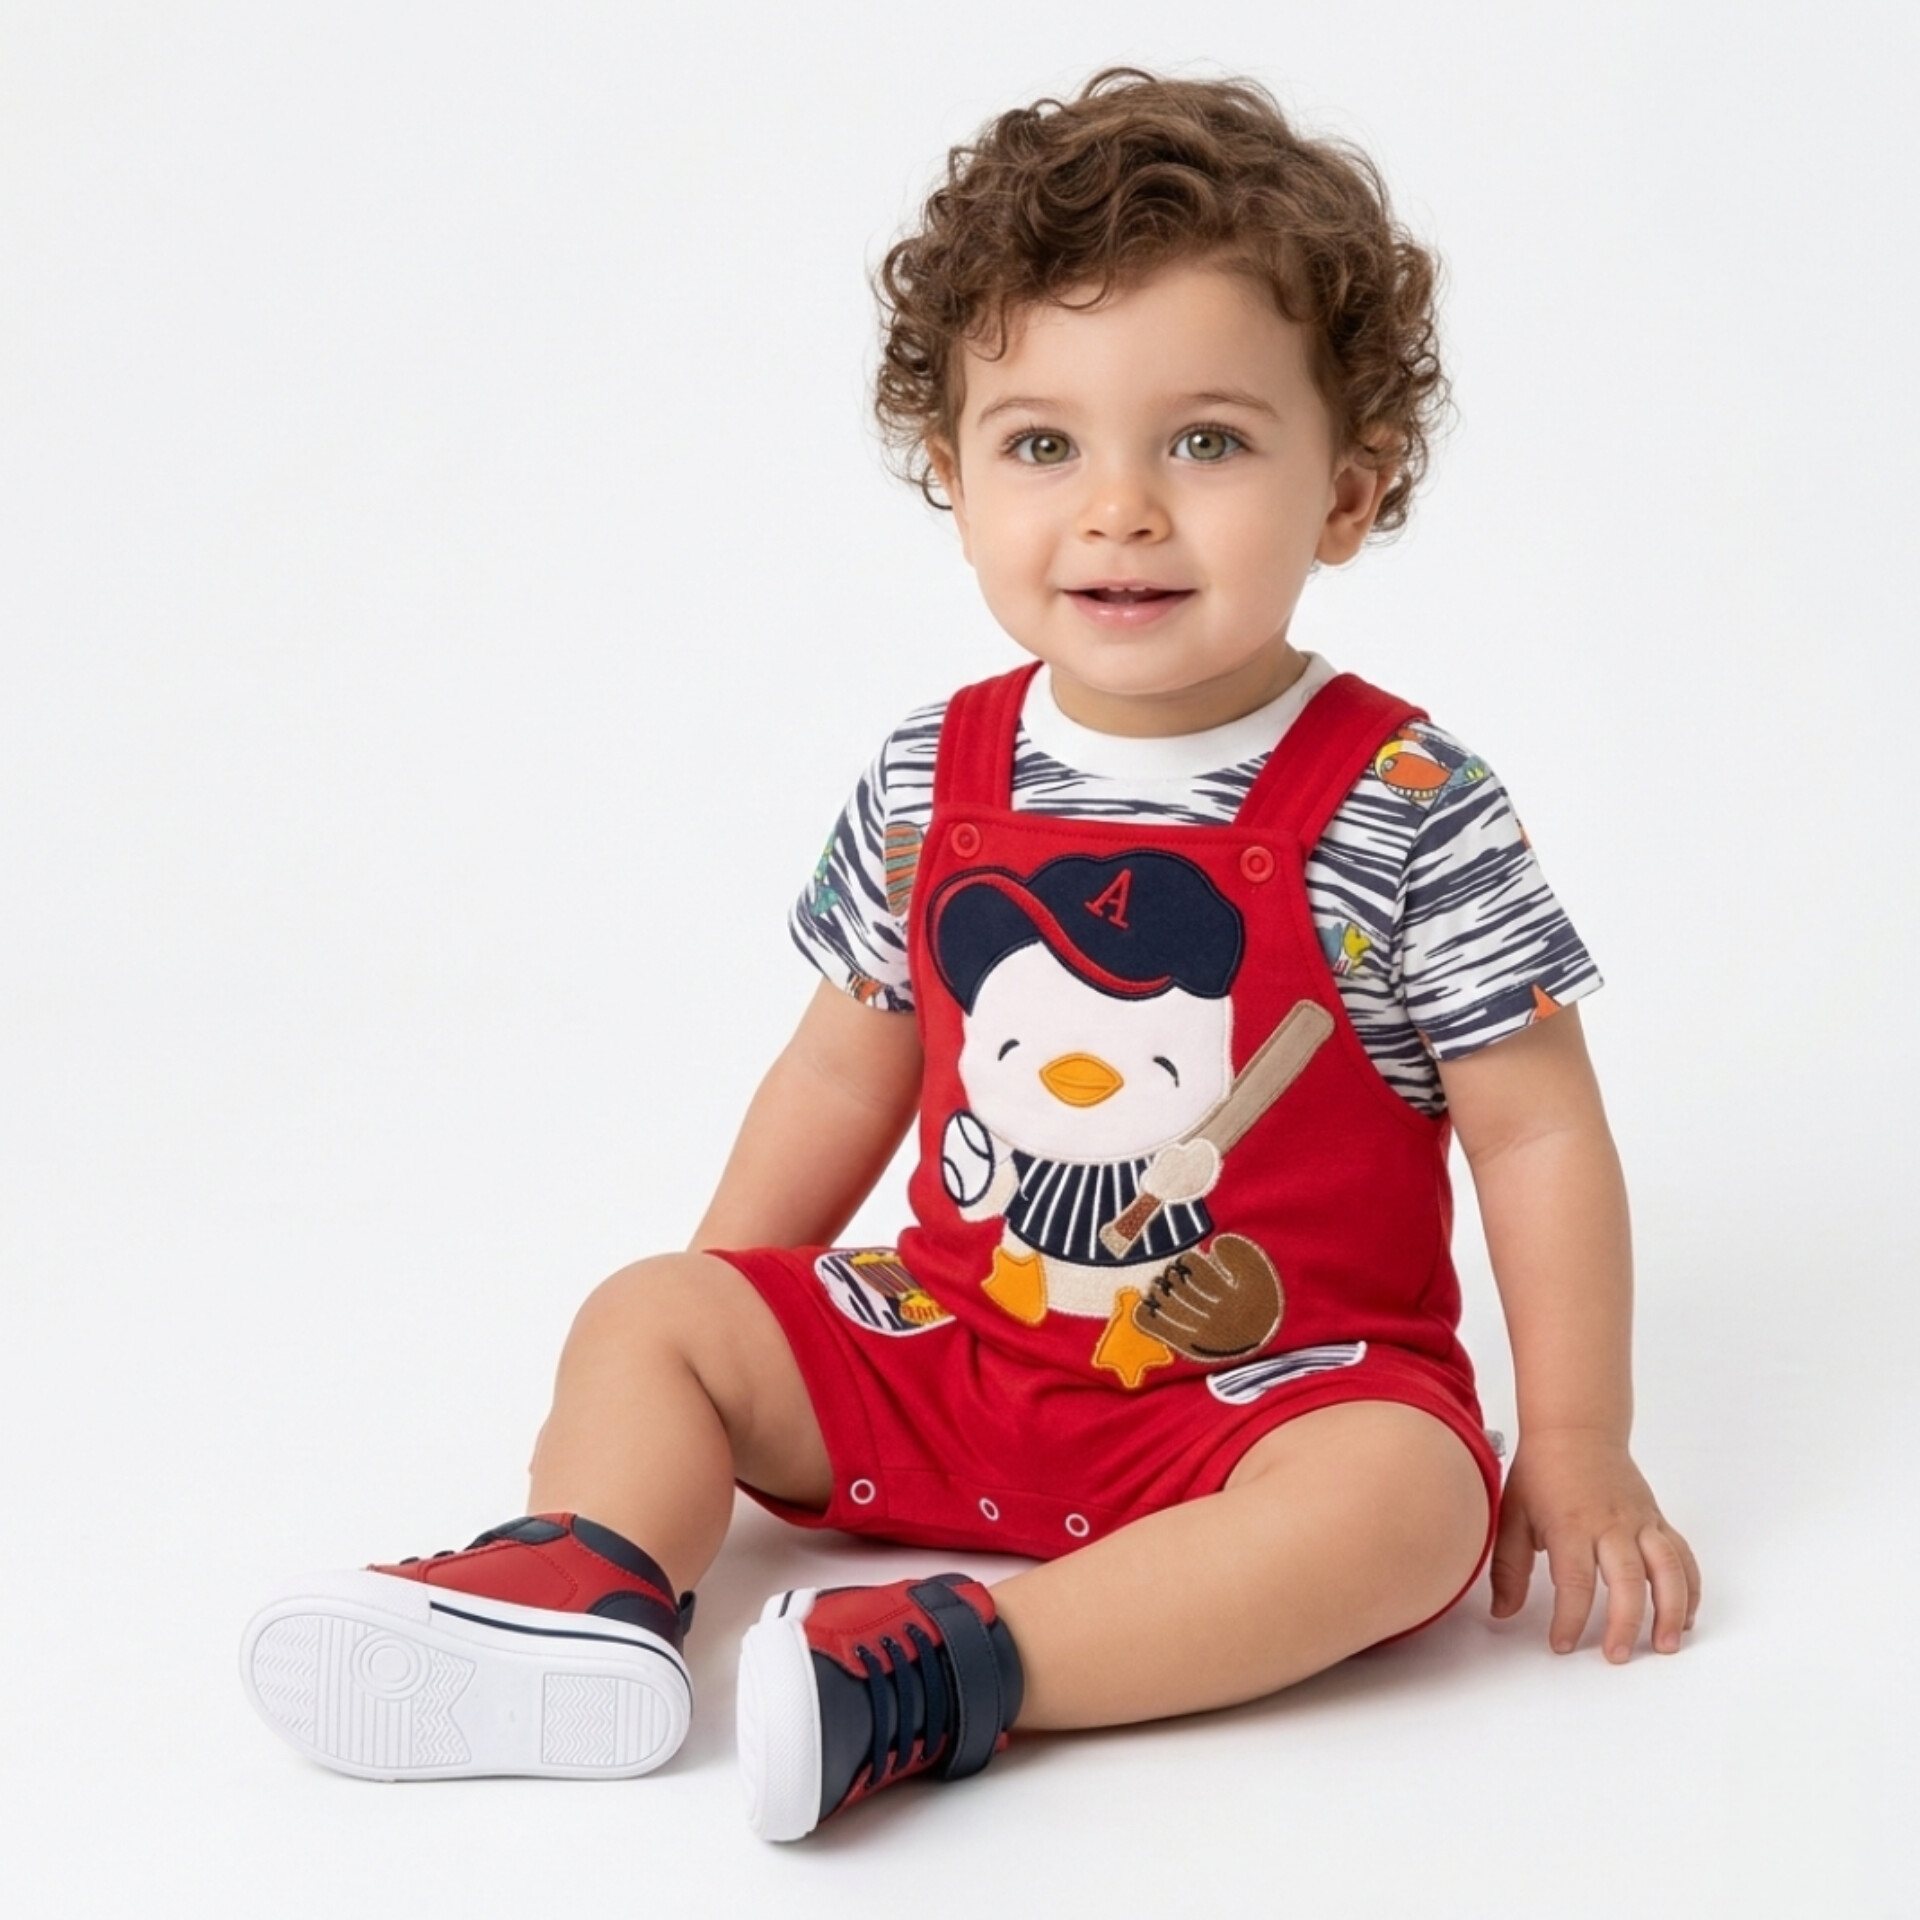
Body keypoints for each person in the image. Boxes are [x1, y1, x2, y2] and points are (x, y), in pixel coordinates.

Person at [240, 68, 1700, 1841]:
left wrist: (1578, 1439)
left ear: (1347, 490)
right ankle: (590, 1585)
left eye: (1207, 441)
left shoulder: (1407, 800)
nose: (1121, 508)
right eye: (1042, 444)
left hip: (1259, 1397)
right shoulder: (933, 769)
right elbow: (840, 1061)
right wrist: (734, 1322)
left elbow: (1536, 1130)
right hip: (957, 1341)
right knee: (646, 1309)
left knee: (1409, 1503)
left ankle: (948, 1667)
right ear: (950, 476)